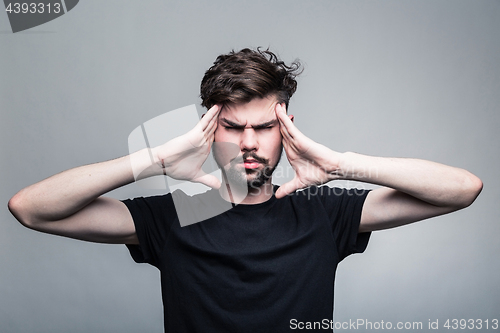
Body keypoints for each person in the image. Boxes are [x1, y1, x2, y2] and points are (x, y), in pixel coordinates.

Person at [8, 48, 482, 332]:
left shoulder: (325, 212)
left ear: (286, 127)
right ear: (208, 130)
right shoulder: (171, 217)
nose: (250, 143)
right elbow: (30, 209)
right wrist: (154, 160)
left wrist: (341, 165)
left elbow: (462, 189)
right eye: (233, 127)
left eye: (264, 127)